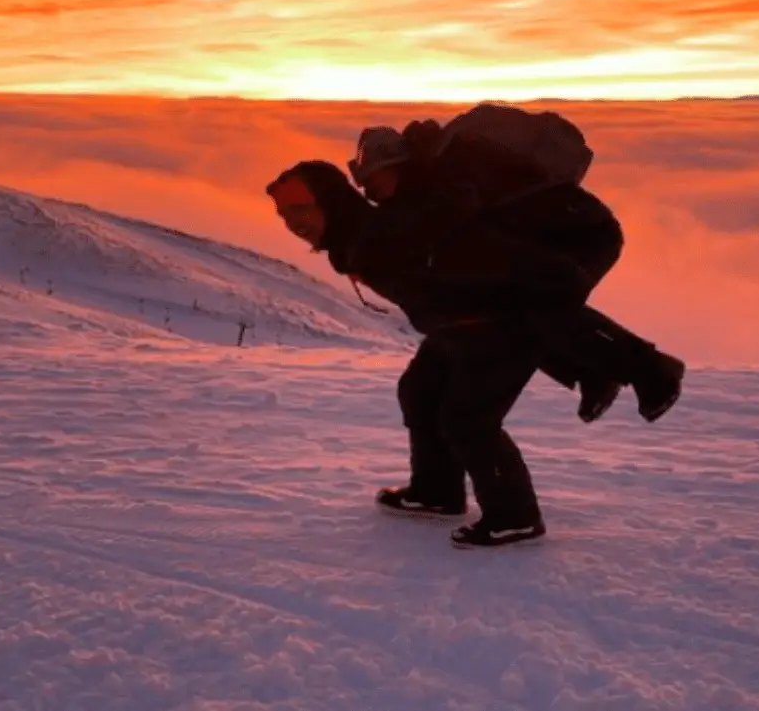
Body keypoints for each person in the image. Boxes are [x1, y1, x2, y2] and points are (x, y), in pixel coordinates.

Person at [268, 160, 550, 548]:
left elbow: (444, 245)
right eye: (284, 214)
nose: (292, 222)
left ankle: (515, 517)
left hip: (498, 322)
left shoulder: (376, 234)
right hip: (458, 324)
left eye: (301, 208)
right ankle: (437, 493)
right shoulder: (354, 238)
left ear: (329, 201)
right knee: (420, 391)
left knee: (468, 418)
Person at [347, 124, 684, 424]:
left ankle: (654, 371)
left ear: (393, 166)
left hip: (583, 234)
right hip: (550, 241)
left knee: (544, 310)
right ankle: (594, 375)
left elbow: (452, 221)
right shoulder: (423, 187)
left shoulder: (446, 178)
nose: (369, 193)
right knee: (514, 314)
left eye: (372, 182)